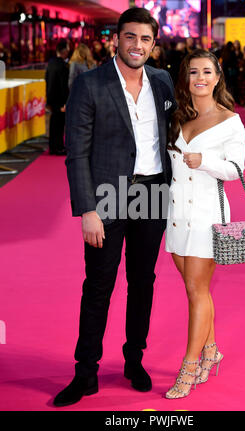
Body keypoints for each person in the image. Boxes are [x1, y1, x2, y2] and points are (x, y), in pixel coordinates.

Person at [53, 7, 176, 407]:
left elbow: (176, 131)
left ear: (153, 44)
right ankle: (85, 372)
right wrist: (87, 209)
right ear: (116, 40)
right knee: (99, 286)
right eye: (130, 37)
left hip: (153, 193)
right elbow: (76, 154)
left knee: (143, 283)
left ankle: (133, 361)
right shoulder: (91, 83)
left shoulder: (162, 81)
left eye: (145, 39)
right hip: (109, 196)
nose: (137, 45)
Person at [164, 49, 245, 399]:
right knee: (193, 289)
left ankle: (190, 365)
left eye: (206, 72)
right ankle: (211, 350)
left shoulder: (231, 120)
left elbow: (237, 169)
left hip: (207, 216)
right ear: (186, 77)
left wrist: (207, 160)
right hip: (177, 214)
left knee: (197, 290)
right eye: (193, 71)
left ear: (217, 77)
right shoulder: (178, 115)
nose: (200, 78)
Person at [45, 39, 70, 155]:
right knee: (59, 124)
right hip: (60, 99)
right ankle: (59, 147)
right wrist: (65, 101)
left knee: (54, 122)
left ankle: (53, 146)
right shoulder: (63, 66)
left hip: (51, 97)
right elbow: (63, 85)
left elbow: (47, 80)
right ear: (64, 51)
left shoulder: (50, 63)